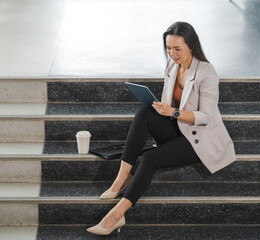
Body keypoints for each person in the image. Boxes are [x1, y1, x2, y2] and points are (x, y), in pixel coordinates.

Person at [86, 21, 236, 235]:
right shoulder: (172, 65)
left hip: (199, 139)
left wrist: (172, 113)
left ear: (191, 46)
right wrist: (161, 109)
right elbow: (170, 102)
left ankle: (117, 215)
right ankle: (121, 178)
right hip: (178, 127)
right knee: (144, 113)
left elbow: (206, 117)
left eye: (177, 49)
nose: (171, 54)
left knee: (149, 159)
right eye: (168, 48)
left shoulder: (207, 72)